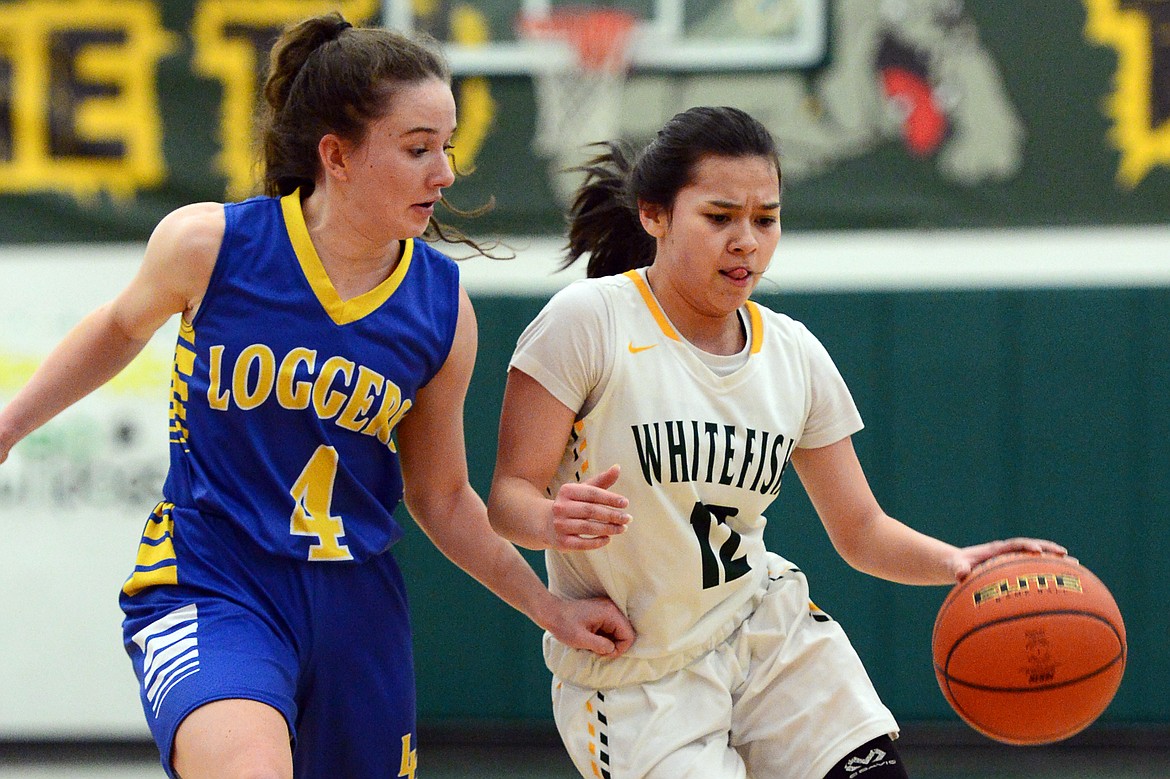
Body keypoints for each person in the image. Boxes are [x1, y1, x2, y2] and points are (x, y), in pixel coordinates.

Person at [0, 12, 633, 779]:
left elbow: (440, 496)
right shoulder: (211, 245)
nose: (445, 173)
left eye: (449, 147)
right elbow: (117, 328)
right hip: (213, 579)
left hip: (355, 610)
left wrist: (548, 605)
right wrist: (8, 425)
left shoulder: (440, 308)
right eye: (418, 148)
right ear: (336, 154)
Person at [487, 105, 1069, 779]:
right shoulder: (587, 322)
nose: (747, 241)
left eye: (766, 218)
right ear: (655, 214)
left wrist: (959, 562)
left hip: (763, 631)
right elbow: (508, 496)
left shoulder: (794, 352)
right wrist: (550, 518)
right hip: (637, 673)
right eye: (720, 216)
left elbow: (860, 527)